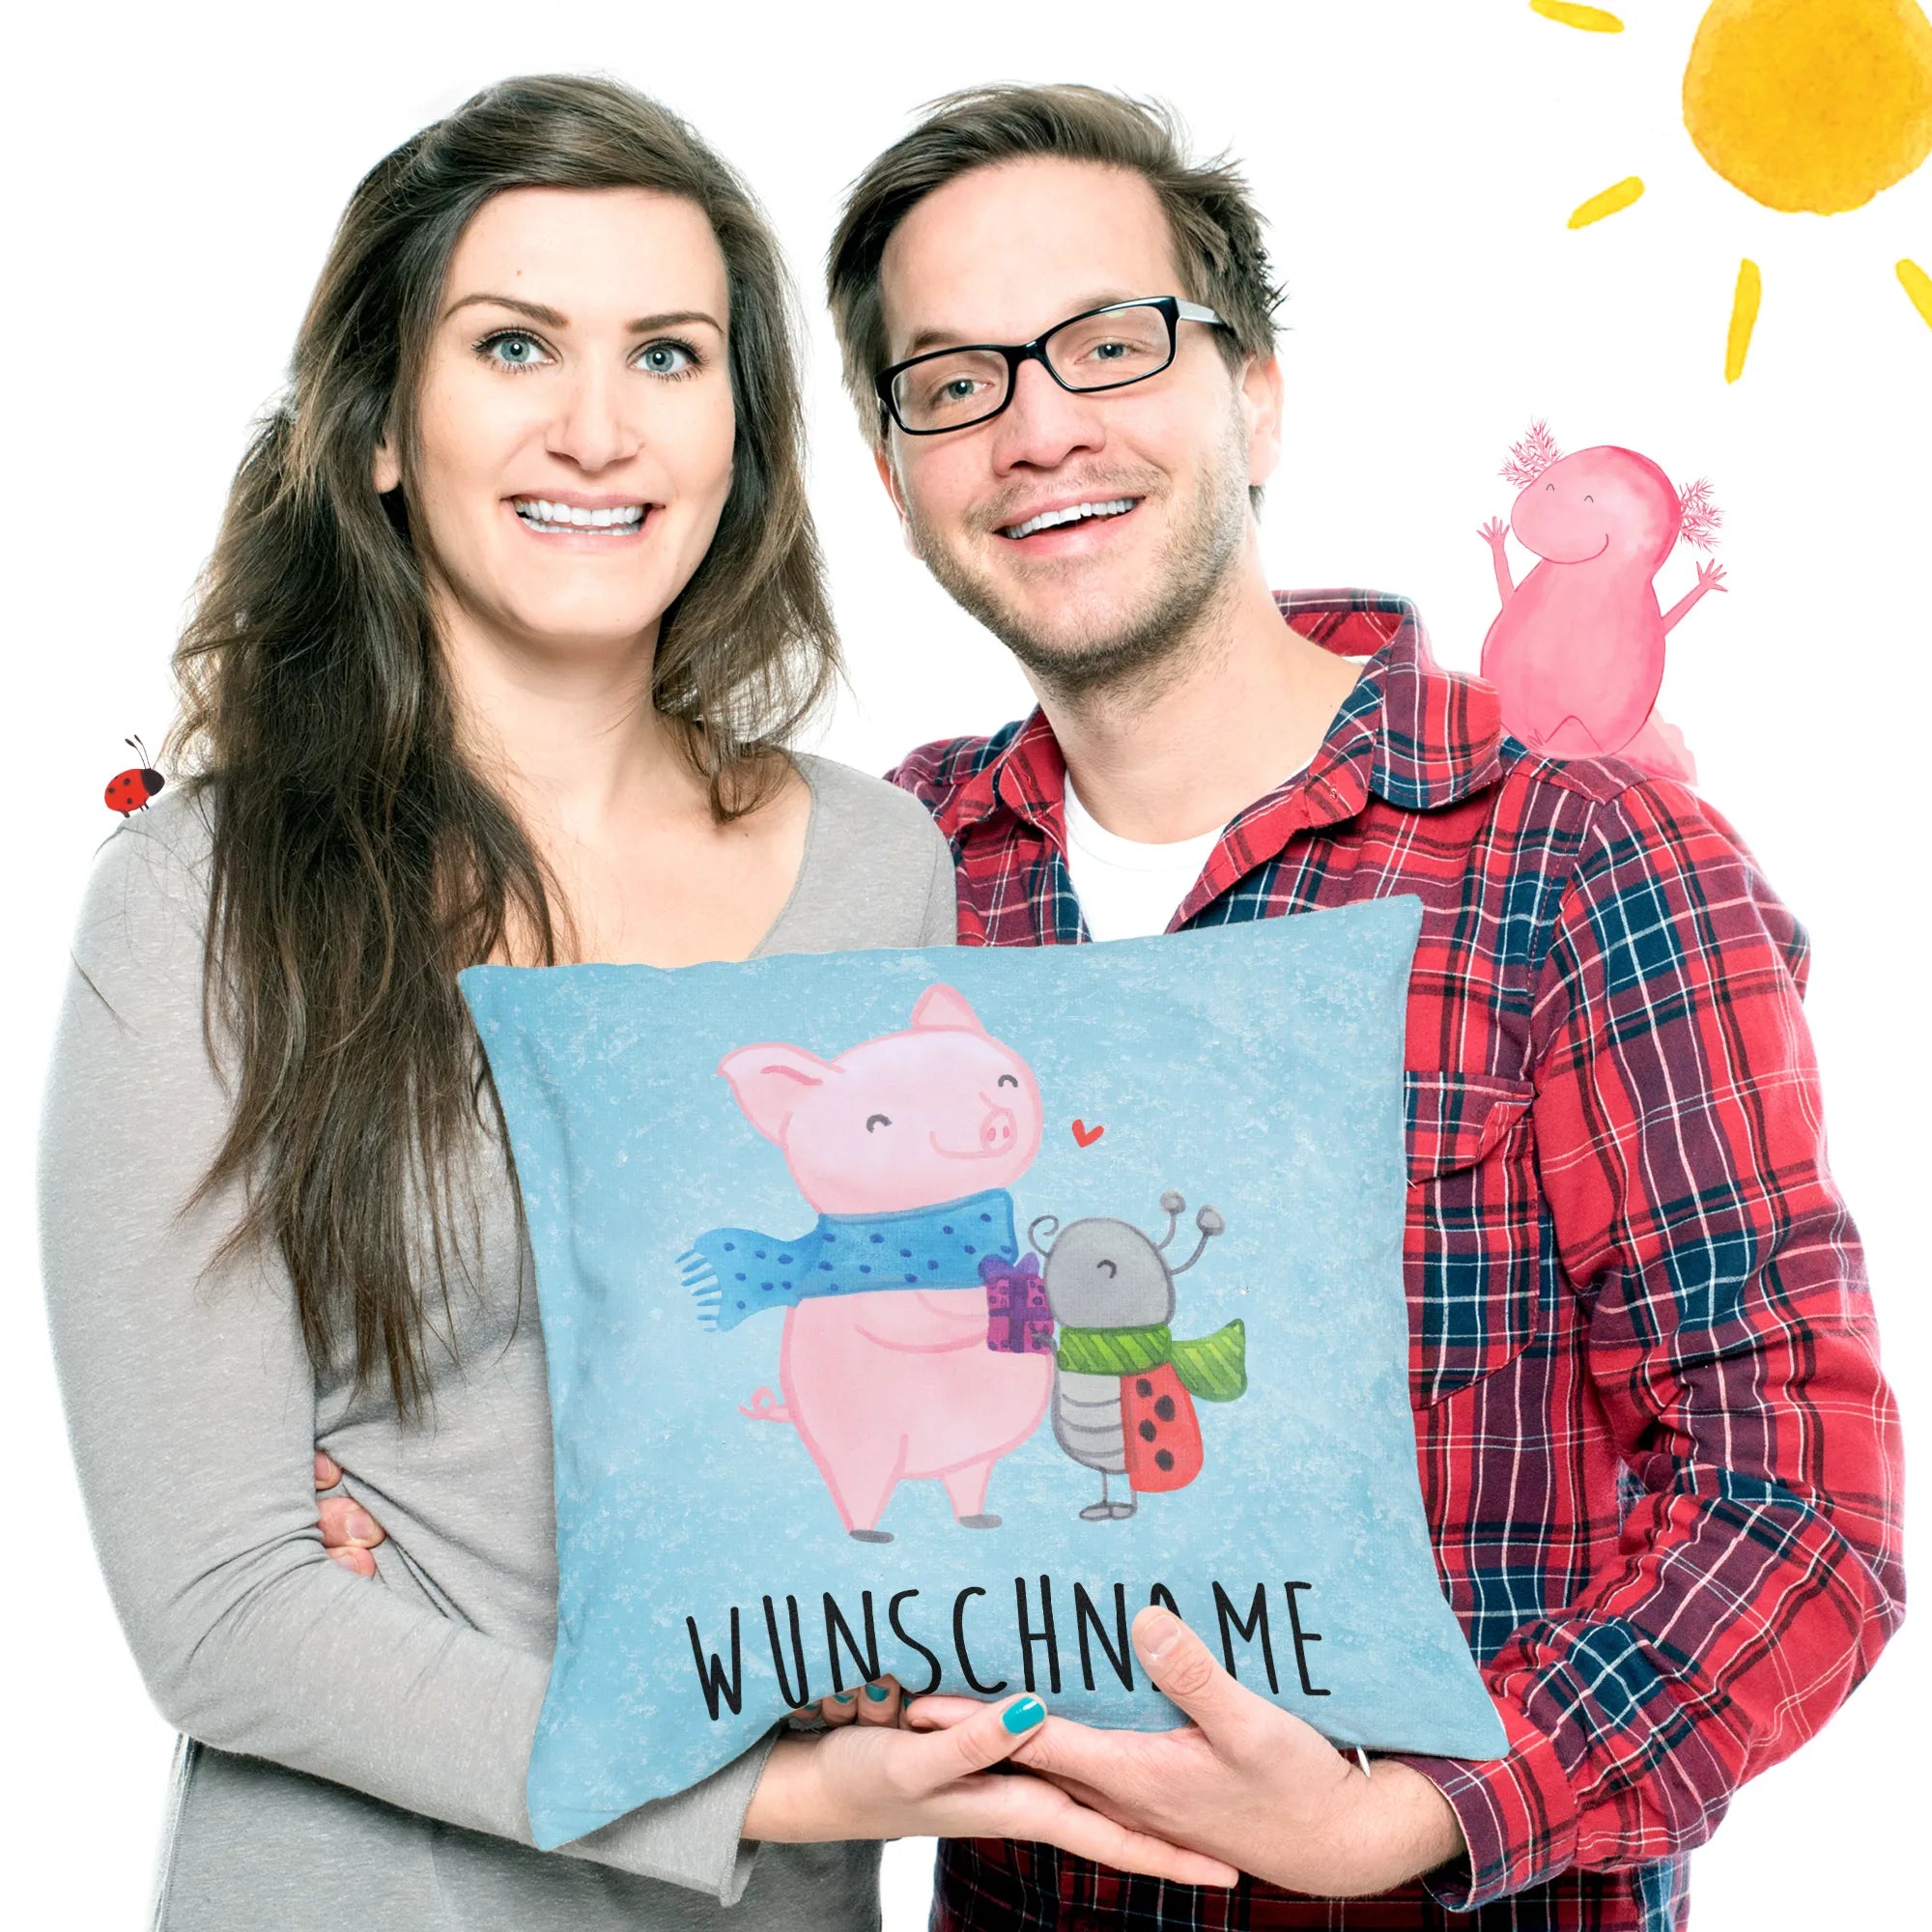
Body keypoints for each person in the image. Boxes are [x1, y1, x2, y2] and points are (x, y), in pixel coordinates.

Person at [315, 82, 1906, 1929]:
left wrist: (1411, 1816)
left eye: (1110, 342)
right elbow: (724, 1372)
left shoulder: (1580, 863)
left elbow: (1803, 1515)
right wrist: (424, 1511)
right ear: (897, 474)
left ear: (1257, 393)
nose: (1039, 427)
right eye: (954, 381)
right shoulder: (883, 877)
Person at [38, 74, 1238, 1932]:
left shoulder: (882, 866)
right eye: (514, 344)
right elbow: (219, 1611)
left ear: (741, 433)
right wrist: (765, 1784)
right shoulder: (203, 898)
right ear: (380, 426)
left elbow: (905, 1408)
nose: (597, 430)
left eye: (668, 355)